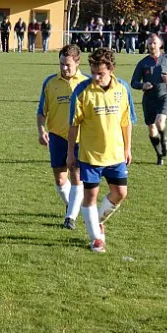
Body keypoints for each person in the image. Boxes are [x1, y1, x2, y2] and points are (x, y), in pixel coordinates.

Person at [68, 48, 136, 253]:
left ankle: (96, 221)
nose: (96, 77)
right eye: (93, 72)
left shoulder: (122, 89)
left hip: (115, 154)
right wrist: (71, 152)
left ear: (112, 69)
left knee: (120, 193)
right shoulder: (82, 91)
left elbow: (126, 122)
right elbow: (73, 125)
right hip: (90, 156)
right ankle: (96, 239)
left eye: (101, 73)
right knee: (90, 196)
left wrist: (127, 147)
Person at [37, 44, 88, 229]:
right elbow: (42, 111)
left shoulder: (87, 83)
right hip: (57, 137)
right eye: (61, 64)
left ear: (77, 62)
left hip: (80, 139)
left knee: (76, 176)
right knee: (60, 180)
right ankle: (71, 206)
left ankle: (70, 218)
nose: (64, 68)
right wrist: (41, 129)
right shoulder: (50, 83)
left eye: (67, 64)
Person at [131, 34, 167, 165]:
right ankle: (159, 154)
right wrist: (143, 85)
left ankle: (164, 140)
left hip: (165, 96)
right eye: (149, 43)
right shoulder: (143, 63)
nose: (151, 45)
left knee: (160, 122)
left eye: (154, 43)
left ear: (160, 44)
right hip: (149, 99)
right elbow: (133, 82)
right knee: (152, 128)